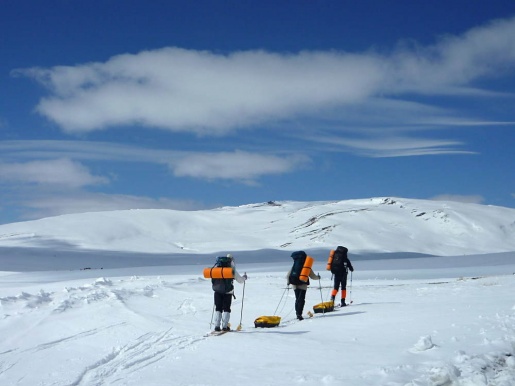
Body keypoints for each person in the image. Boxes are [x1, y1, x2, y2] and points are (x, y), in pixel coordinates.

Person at [212, 253, 247, 331]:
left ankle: (217, 326)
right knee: (226, 309)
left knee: (218, 308)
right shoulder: (232, 270)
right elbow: (240, 280)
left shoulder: (217, 268)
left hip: (217, 291)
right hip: (228, 292)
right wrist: (244, 277)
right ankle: (225, 326)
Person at [286, 252, 321, 320]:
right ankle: (299, 314)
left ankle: (297, 313)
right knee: (301, 300)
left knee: (297, 299)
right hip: (303, 284)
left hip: (294, 284)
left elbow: (288, 275)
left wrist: (288, 282)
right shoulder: (306, 267)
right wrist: (318, 277)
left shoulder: (295, 265)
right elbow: (313, 276)